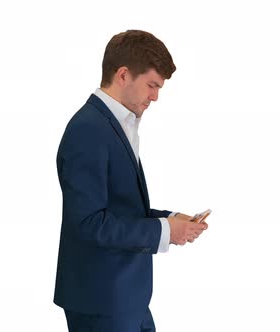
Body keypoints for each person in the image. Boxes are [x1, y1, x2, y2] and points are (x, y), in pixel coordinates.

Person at [53, 29, 209, 332]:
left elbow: (119, 208)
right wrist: (163, 231)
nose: (155, 96)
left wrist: (171, 220)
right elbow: (88, 223)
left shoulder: (116, 123)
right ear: (123, 75)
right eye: (151, 85)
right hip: (101, 300)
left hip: (126, 297)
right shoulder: (88, 129)